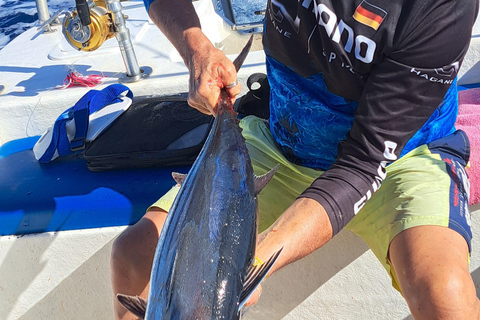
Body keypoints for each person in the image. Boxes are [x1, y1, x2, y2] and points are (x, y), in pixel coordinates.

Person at [110, 0, 480, 318]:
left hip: (400, 158)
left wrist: (248, 262)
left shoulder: (441, 8)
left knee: (447, 299)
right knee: (133, 255)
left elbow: (363, 163)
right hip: (283, 139)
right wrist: (197, 49)